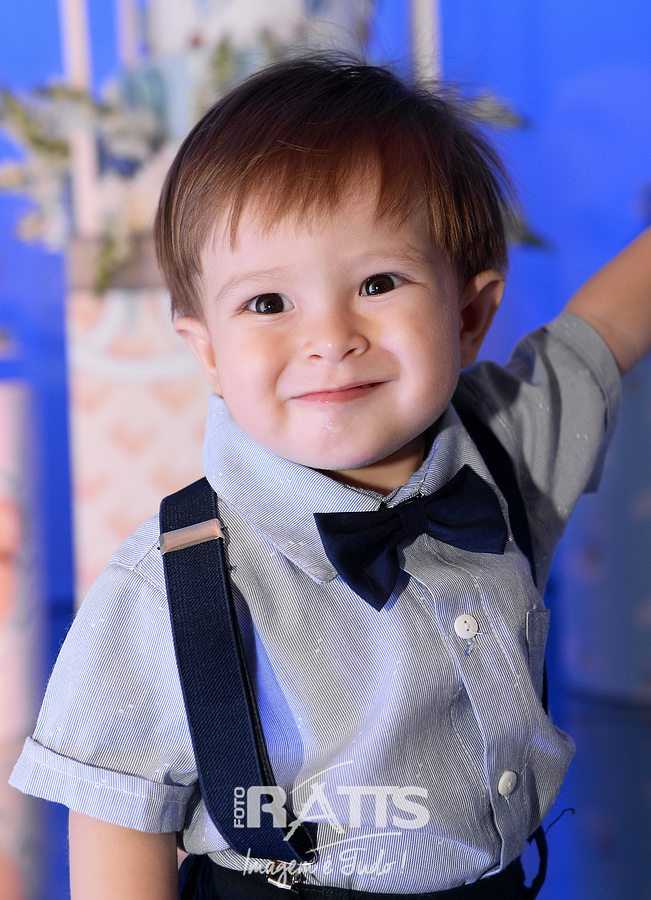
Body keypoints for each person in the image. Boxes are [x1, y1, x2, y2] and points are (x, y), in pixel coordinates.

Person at [9, 55, 651, 899]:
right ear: (207, 350)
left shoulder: (508, 449)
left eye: (377, 283)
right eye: (268, 303)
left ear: (468, 315)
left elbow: (605, 328)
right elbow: (116, 818)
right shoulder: (172, 582)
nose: (329, 338)